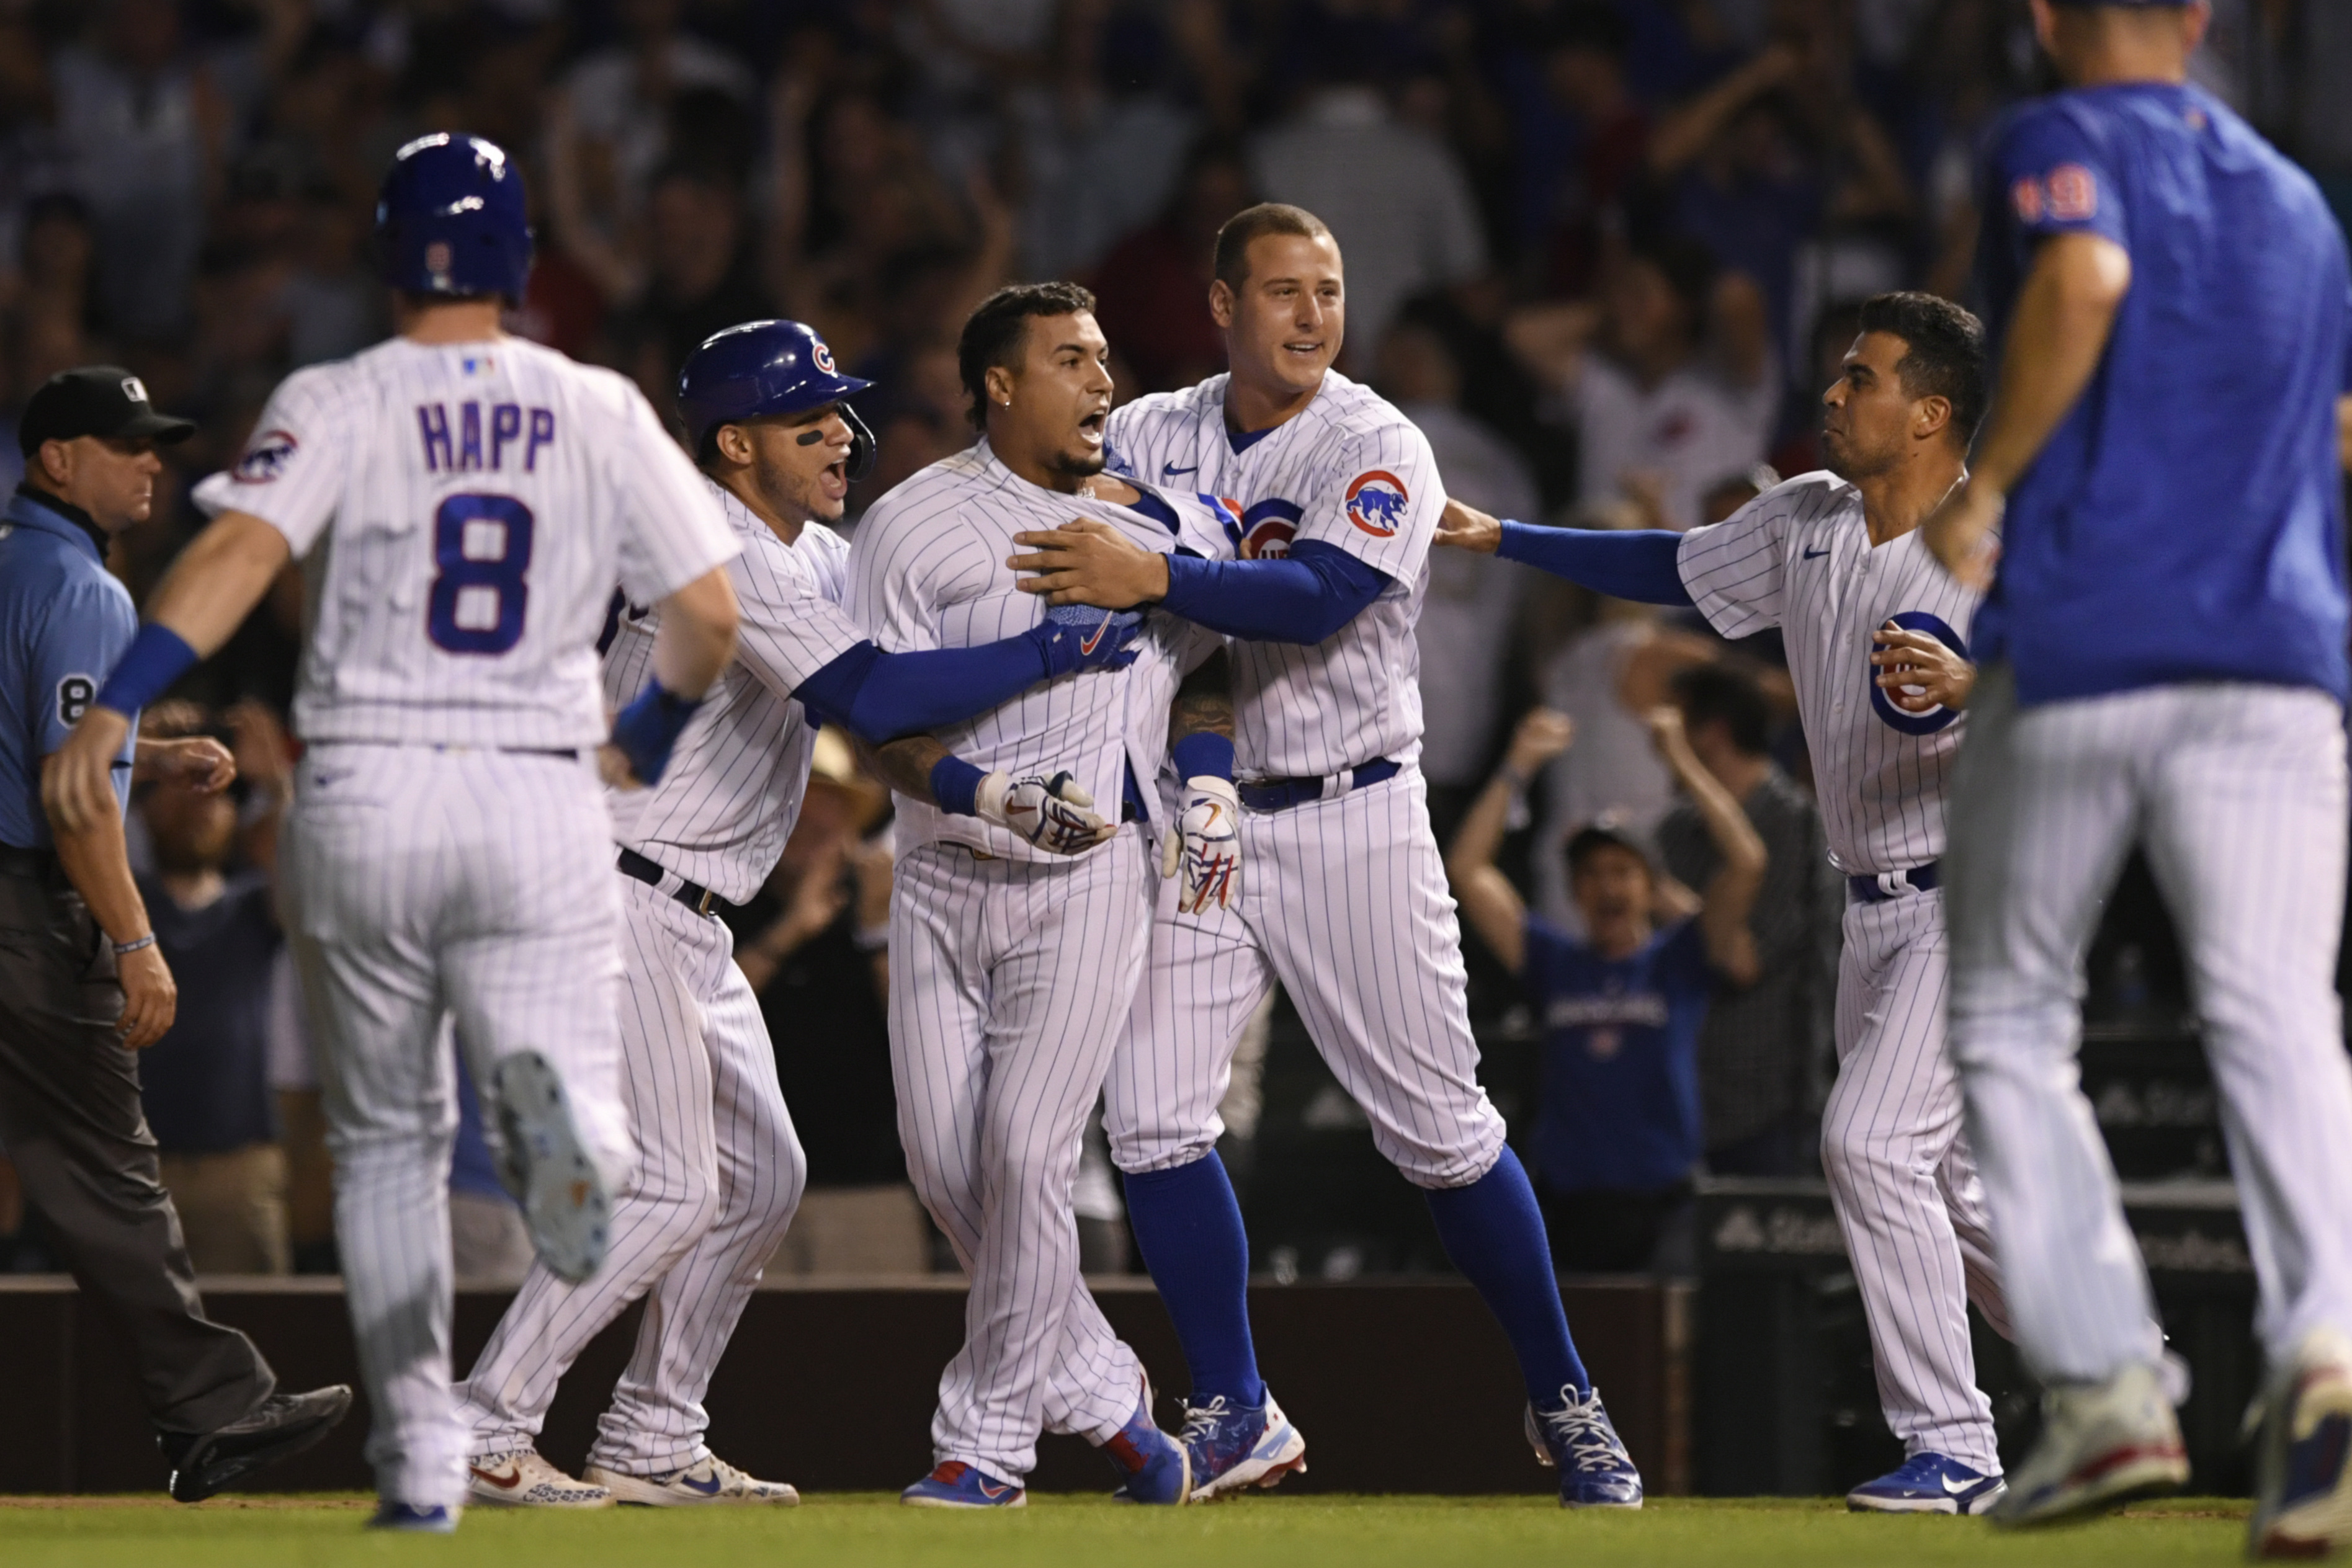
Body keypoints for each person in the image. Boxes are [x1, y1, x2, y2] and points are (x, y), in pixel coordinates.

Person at [45, 135, 747, 1534]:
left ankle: (424, 1452)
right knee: (584, 1122)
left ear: (385, 252)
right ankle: (575, 1153)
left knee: (383, 1145)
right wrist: (646, 742)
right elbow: (710, 615)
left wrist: (119, 707)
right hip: (540, 786)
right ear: (521, 258)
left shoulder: (343, 394)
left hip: (366, 787)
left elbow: (240, 553)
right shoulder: (595, 404)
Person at [1006, 204, 1647, 1507]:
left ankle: (1561, 1389)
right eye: (1283, 291)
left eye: (1329, 291)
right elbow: (1074, 521)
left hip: (1352, 811)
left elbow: (1315, 598)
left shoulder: (1374, 440)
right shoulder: (1152, 429)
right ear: (1221, 307)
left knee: (1441, 1134)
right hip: (1204, 809)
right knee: (1152, 1121)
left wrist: (1152, 575)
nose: (1311, 315)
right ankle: (1234, 1405)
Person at [452, 318, 1146, 1510]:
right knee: (673, 1184)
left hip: (686, 909)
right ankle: (483, 1424)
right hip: (610, 881)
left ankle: (654, 1429)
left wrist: (997, 796)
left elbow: (882, 728)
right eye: (807, 419)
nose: (843, 436)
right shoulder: (713, 543)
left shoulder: (815, 557)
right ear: (734, 444)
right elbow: (871, 688)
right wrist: (1055, 645)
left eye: (841, 413)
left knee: (762, 1175)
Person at [1438, 290, 2028, 1516]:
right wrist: (1504, 535)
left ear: (1927, 413)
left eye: (1858, 378)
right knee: (1952, 1192)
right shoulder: (1805, 519)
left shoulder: (2001, 545)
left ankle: (1954, 1450)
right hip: (1870, 904)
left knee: (1864, 1143)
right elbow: (1668, 565)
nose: (1829, 393)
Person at [1916, 0, 2352, 1546]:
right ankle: (2324, 1348)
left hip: (2090, 647)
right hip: (2279, 661)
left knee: (2010, 1015)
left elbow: (2086, 276)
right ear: (2200, 16)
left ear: (2043, 17)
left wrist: (1981, 499)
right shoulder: (2300, 201)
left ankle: (2104, 1388)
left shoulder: (2052, 136)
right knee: (2274, 1013)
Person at [845, 282, 1225, 1508]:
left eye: (1103, 358)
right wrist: (985, 792)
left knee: (1024, 1154)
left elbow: (1216, 666)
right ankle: (1114, 1404)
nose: (1100, 380)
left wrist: (1206, 792)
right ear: (1000, 382)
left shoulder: (1159, 529)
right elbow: (871, 714)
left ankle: (984, 1446)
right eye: (1069, 359)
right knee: (947, 1168)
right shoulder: (910, 524)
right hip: (946, 874)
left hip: (1088, 879)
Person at [0, 366, 352, 1502]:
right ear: (58, 457)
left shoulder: (9, 559)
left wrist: (144, 753)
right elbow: (72, 799)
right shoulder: (81, 584)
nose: (152, 461)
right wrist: (137, 936)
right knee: (106, 1165)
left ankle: (213, 1402)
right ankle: (216, 1408)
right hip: (22, 910)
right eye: (124, 443)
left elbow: (41, 750)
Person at [1449, 706, 1765, 1270]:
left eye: (1623, 871)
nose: (1607, 885)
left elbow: (1746, 862)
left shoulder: (1680, 958)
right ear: (1574, 892)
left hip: (1666, 1205)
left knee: (1662, 1354)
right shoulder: (1554, 960)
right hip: (1570, 1206)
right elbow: (1469, 870)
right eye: (1592, 874)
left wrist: (1680, 760)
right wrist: (1517, 765)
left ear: (1651, 887)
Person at [1653, 664, 1838, 1178]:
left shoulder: (1795, 824)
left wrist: (1661, 895)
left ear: (1711, 734)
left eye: (1680, 730)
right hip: (1686, 1095)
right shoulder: (1678, 829)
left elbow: (1740, 959)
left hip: (1772, 1102)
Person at [134, 702, 292, 1275]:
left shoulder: (252, 905)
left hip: (238, 1172)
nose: (198, 807)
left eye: (214, 793)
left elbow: (305, 872)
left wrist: (275, 782)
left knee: (260, 1331)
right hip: (134, 1173)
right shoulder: (120, 901)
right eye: (178, 792)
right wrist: (135, 754)